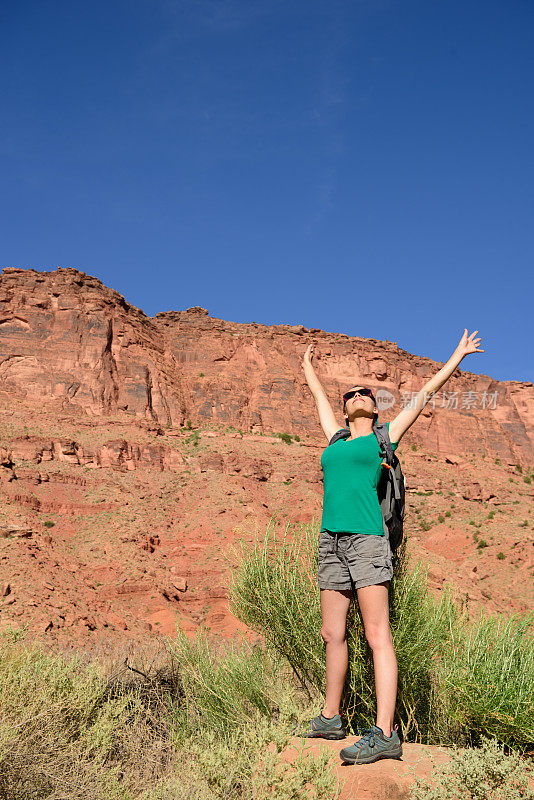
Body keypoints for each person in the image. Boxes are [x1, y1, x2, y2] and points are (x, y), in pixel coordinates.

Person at [297, 329, 484, 765]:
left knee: (377, 634)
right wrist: (308, 368)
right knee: (332, 633)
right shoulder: (336, 439)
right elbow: (318, 400)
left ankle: (384, 732)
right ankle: (330, 717)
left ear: (374, 407)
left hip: (367, 541)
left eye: (366, 392)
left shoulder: (383, 437)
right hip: (330, 542)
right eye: (351, 393)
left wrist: (457, 355)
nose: (359, 394)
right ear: (345, 408)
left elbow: (424, 394)